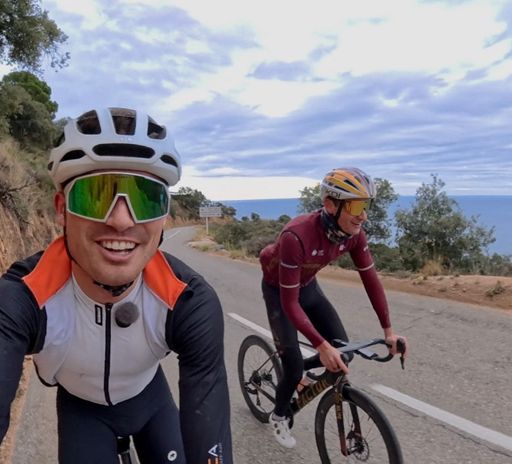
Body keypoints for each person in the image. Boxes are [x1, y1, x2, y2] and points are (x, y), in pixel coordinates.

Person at [0, 107, 232, 463]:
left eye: (145, 198)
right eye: (94, 195)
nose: (121, 221)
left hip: (150, 400)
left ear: (163, 215)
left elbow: (212, 446)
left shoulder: (188, 299)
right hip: (82, 412)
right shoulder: (24, 298)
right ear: (61, 208)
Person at [259, 167, 408, 448]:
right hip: (279, 292)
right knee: (295, 365)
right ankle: (279, 415)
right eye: (356, 206)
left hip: (308, 286)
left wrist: (389, 331)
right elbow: (290, 303)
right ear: (330, 204)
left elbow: (371, 281)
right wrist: (321, 346)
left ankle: (297, 371)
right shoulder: (296, 235)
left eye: (366, 206)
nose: (363, 215)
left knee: (343, 351)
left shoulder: (354, 234)